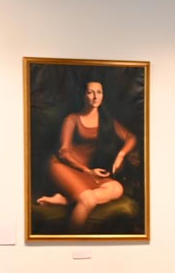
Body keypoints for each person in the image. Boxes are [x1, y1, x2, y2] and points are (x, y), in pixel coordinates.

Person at [35, 79, 138, 231]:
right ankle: (71, 242)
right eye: (90, 92)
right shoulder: (72, 119)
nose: (95, 97)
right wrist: (87, 171)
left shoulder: (106, 121)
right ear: (83, 95)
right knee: (88, 200)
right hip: (63, 166)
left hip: (87, 170)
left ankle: (66, 200)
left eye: (99, 92)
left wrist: (120, 156)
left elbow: (131, 138)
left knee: (116, 188)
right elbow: (63, 153)